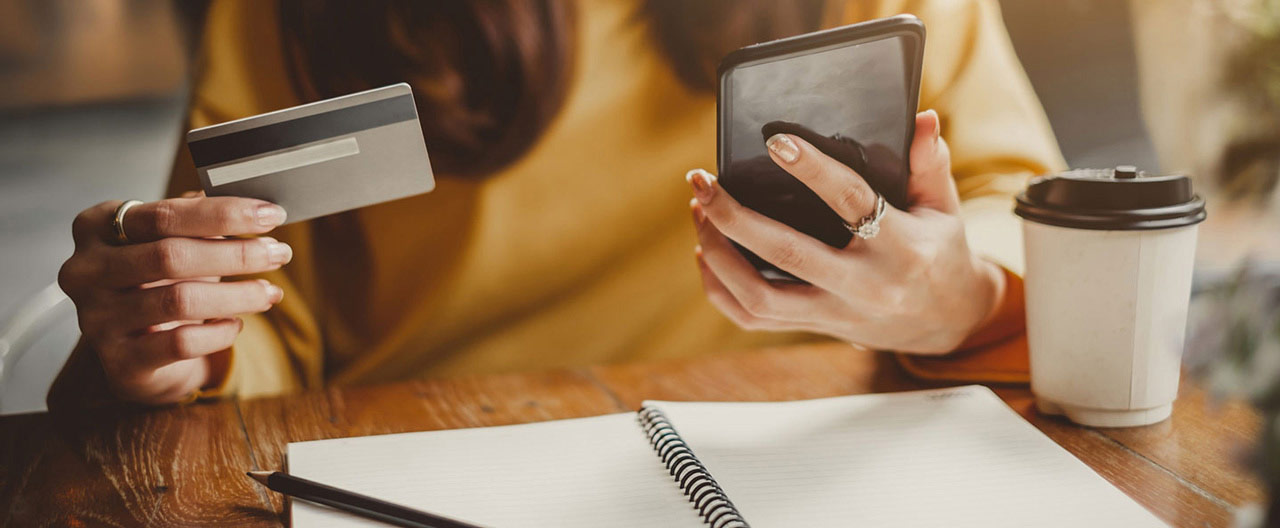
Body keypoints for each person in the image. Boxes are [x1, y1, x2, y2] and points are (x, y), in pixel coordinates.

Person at [51, 0, 1064, 407]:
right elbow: (264, 312)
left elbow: (1017, 205)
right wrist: (190, 341)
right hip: (409, 459)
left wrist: (962, 298)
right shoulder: (290, 15)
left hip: (812, 452)